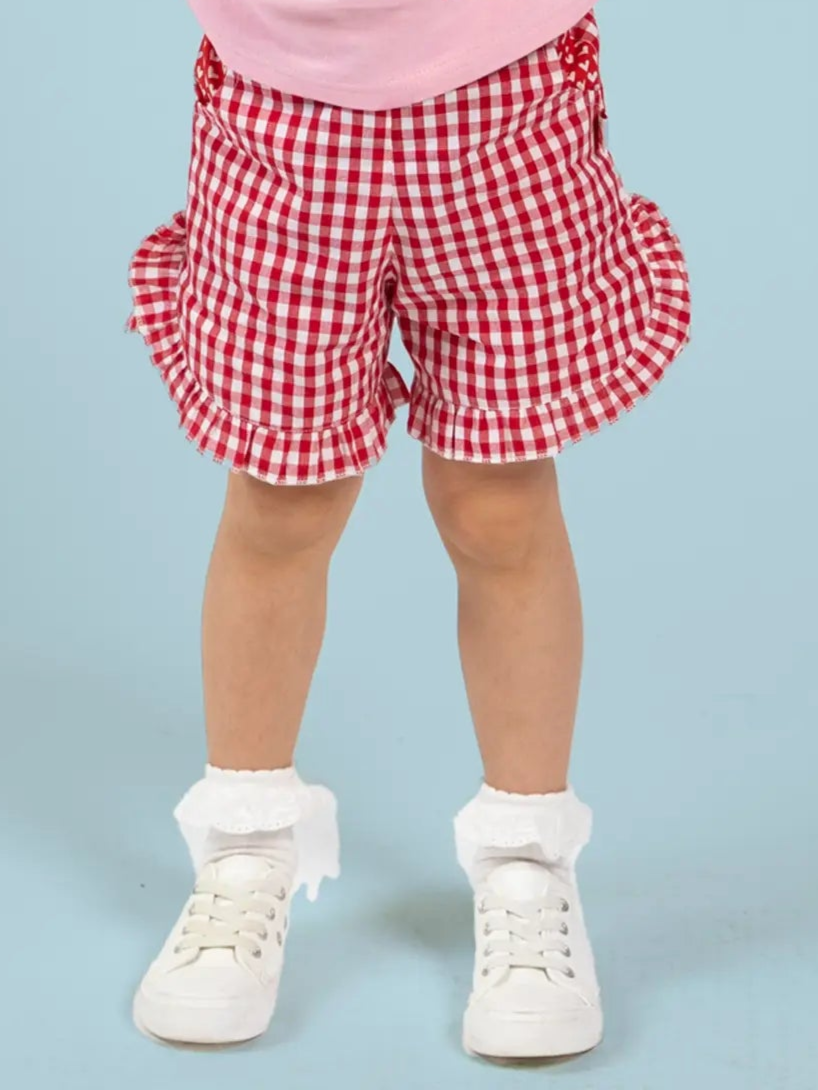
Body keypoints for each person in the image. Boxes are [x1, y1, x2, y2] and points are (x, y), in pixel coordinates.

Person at [127, 0, 691, 1060]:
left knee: (498, 499)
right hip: (279, 114)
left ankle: (527, 861)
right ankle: (244, 847)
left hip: (507, 106)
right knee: (281, 498)